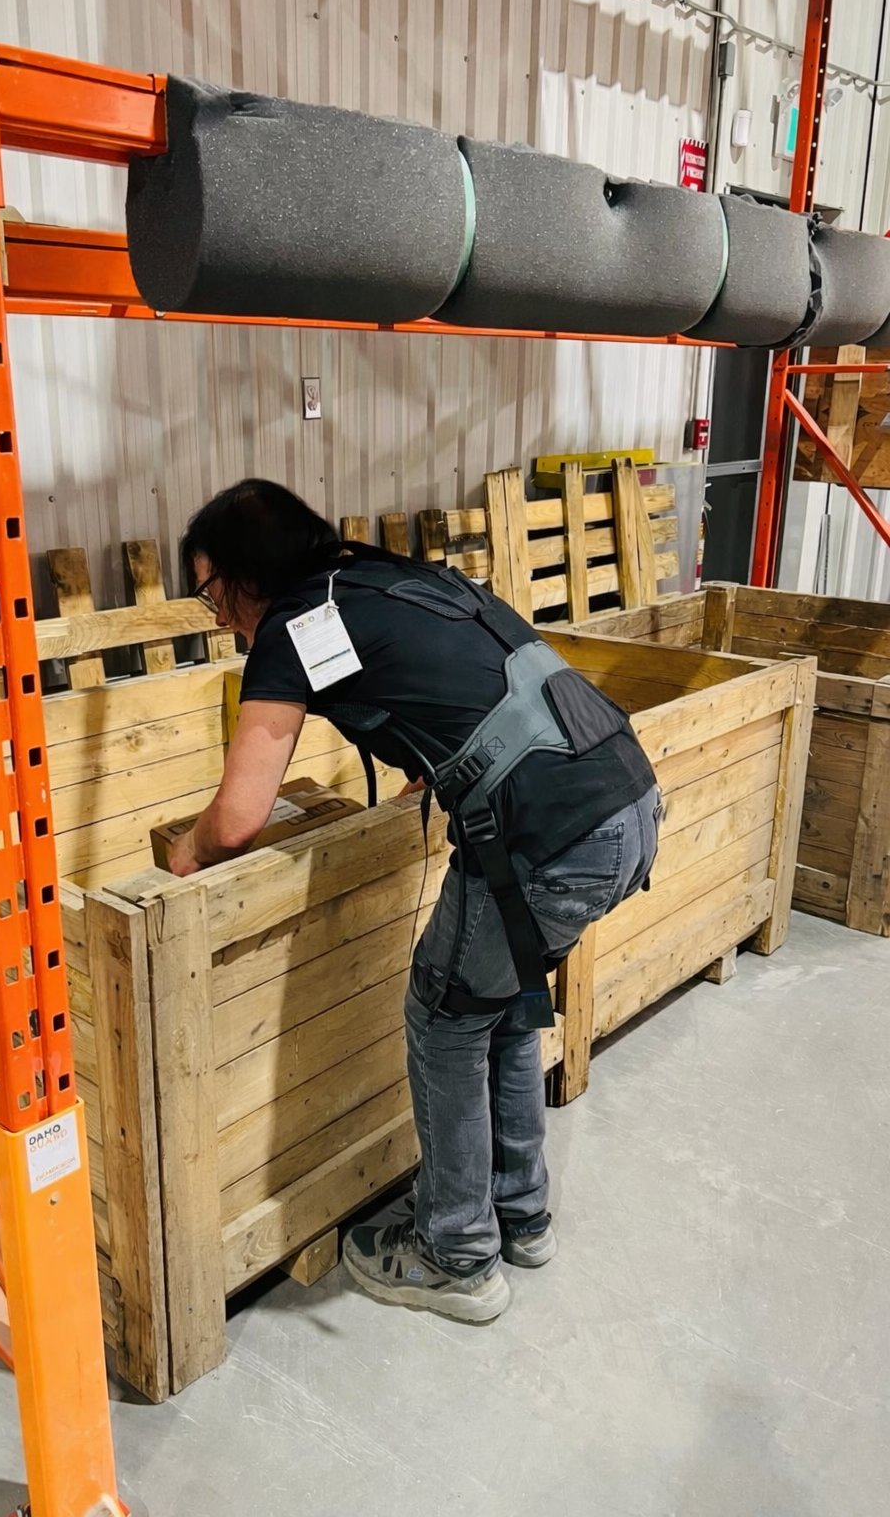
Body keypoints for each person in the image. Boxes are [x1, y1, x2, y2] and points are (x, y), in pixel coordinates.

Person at [172, 478, 661, 1324]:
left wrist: (186, 852)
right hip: (625, 798)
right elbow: (460, 686)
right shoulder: (389, 579)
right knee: (497, 1007)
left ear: (248, 571)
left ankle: (455, 1255)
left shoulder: (292, 627)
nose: (216, 617)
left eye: (210, 592)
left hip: (549, 837)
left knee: (443, 1018)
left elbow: (240, 818)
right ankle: (520, 1215)